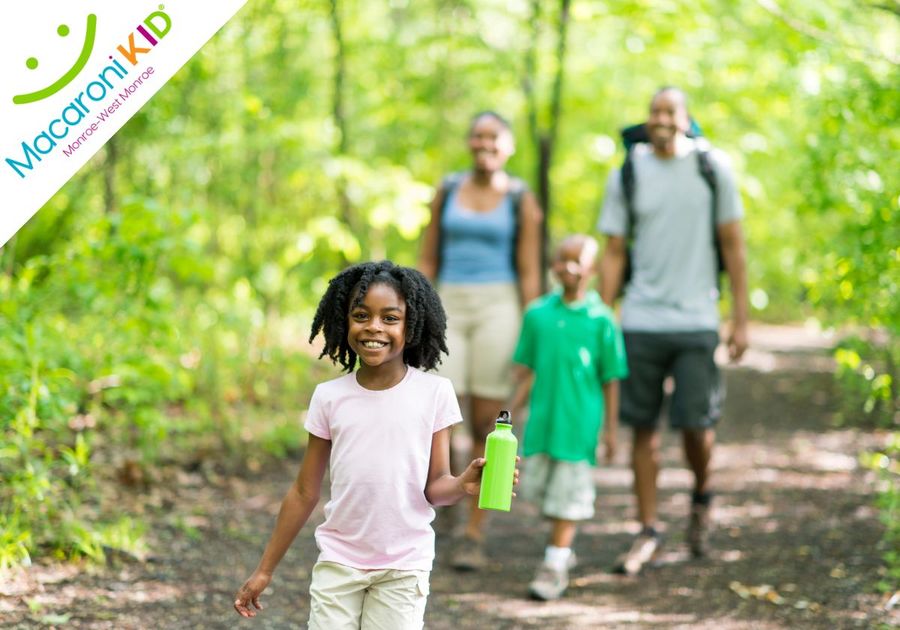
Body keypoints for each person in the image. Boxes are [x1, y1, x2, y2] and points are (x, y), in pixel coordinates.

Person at [233, 261, 515, 629]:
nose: (374, 327)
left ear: (411, 325)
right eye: (361, 315)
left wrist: (462, 484)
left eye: (390, 318)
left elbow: (435, 489)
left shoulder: (434, 394)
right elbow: (304, 491)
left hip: (404, 565)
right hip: (339, 561)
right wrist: (265, 570)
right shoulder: (329, 398)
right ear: (343, 321)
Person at [597, 86, 749, 575]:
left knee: (696, 425)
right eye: (654, 111)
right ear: (647, 119)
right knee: (642, 426)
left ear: (686, 119)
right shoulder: (628, 171)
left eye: (670, 112)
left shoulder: (713, 168)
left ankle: (701, 496)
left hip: (697, 318)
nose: (661, 119)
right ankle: (648, 528)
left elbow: (733, 244)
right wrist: (603, 315)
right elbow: (615, 249)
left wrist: (740, 317)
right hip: (641, 319)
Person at [418, 110, 543, 570]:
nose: (484, 144)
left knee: (488, 422)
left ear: (508, 146)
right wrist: (413, 311)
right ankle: (441, 499)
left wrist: (534, 336)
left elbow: (529, 270)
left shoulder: (519, 198)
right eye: (477, 136)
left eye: (494, 137)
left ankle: (475, 530)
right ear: (468, 142)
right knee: (438, 415)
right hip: (447, 301)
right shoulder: (448, 189)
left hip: (499, 306)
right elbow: (428, 258)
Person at [508, 234, 628, 601]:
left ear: (592, 269)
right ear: (552, 265)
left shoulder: (601, 319)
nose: (570, 267)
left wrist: (610, 432)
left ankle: (555, 563)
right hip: (542, 424)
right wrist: (509, 414)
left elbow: (610, 380)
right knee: (541, 494)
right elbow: (527, 372)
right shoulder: (537, 314)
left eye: (579, 261)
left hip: (579, 426)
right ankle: (562, 549)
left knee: (568, 496)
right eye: (562, 259)